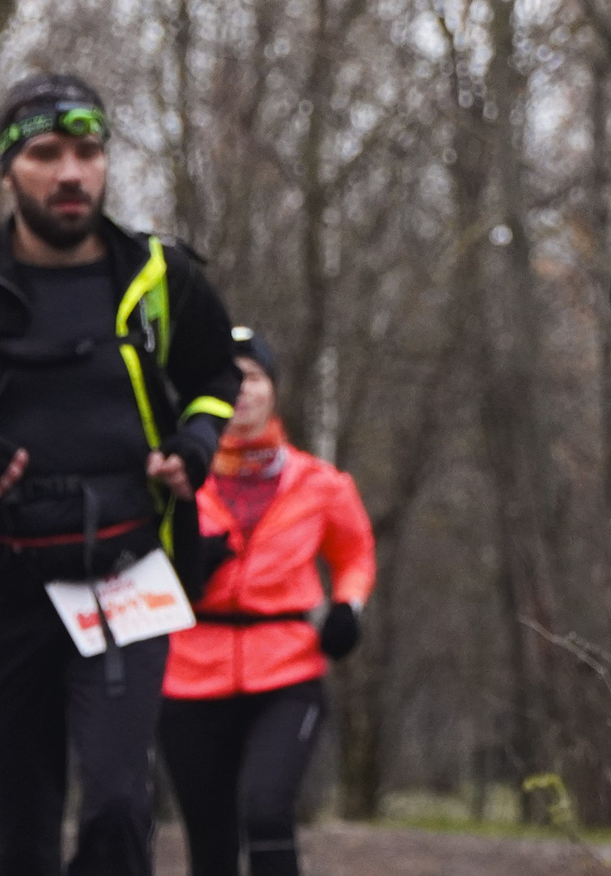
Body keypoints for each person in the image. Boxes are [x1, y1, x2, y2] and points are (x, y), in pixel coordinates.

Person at [0, 73, 241, 876]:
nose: (71, 172)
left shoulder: (160, 276)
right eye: (47, 153)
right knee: (20, 841)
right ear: (7, 171)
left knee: (120, 806)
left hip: (126, 573)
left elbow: (216, 377)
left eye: (88, 152)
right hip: (0, 588)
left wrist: (195, 444)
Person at [161, 327, 375, 876]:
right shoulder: (177, 479)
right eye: (228, 379)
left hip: (286, 669)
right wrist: (182, 562)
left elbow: (355, 554)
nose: (241, 391)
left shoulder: (321, 483)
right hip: (188, 671)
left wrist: (348, 606)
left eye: (252, 377)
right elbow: (133, 558)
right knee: (210, 839)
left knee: (267, 812)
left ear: (272, 389)